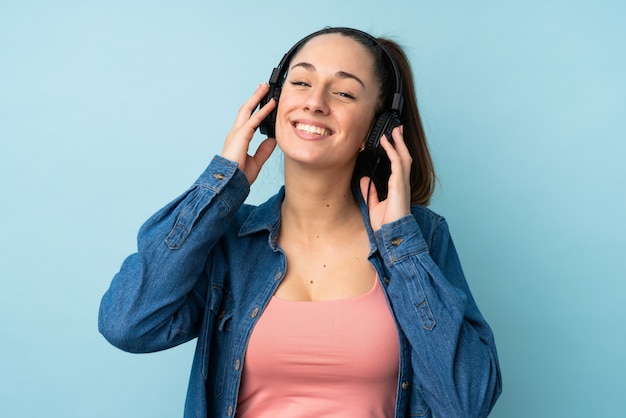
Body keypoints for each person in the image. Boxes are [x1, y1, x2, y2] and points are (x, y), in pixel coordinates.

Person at [99, 26, 502, 418]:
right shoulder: (229, 241)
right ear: (274, 100)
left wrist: (400, 247)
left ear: (377, 128)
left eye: (344, 92)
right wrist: (218, 186)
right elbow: (128, 324)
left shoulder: (421, 238)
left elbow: (466, 404)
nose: (315, 102)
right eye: (301, 83)